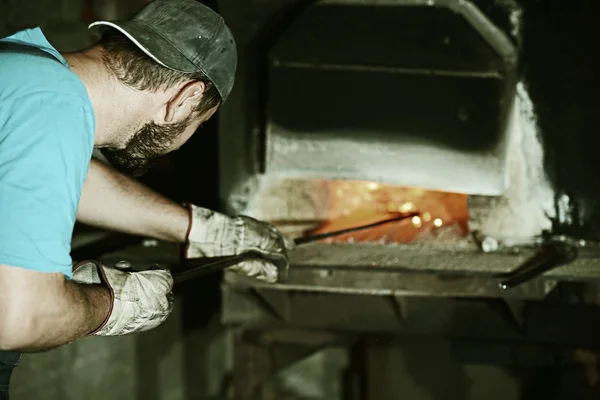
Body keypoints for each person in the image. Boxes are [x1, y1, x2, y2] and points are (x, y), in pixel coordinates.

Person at [0, 0, 295, 397]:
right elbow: (20, 318)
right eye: (199, 124)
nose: (185, 140)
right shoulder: (53, 105)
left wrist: (205, 231)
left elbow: (66, 177)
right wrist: (112, 304)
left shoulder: (27, 71)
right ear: (187, 98)